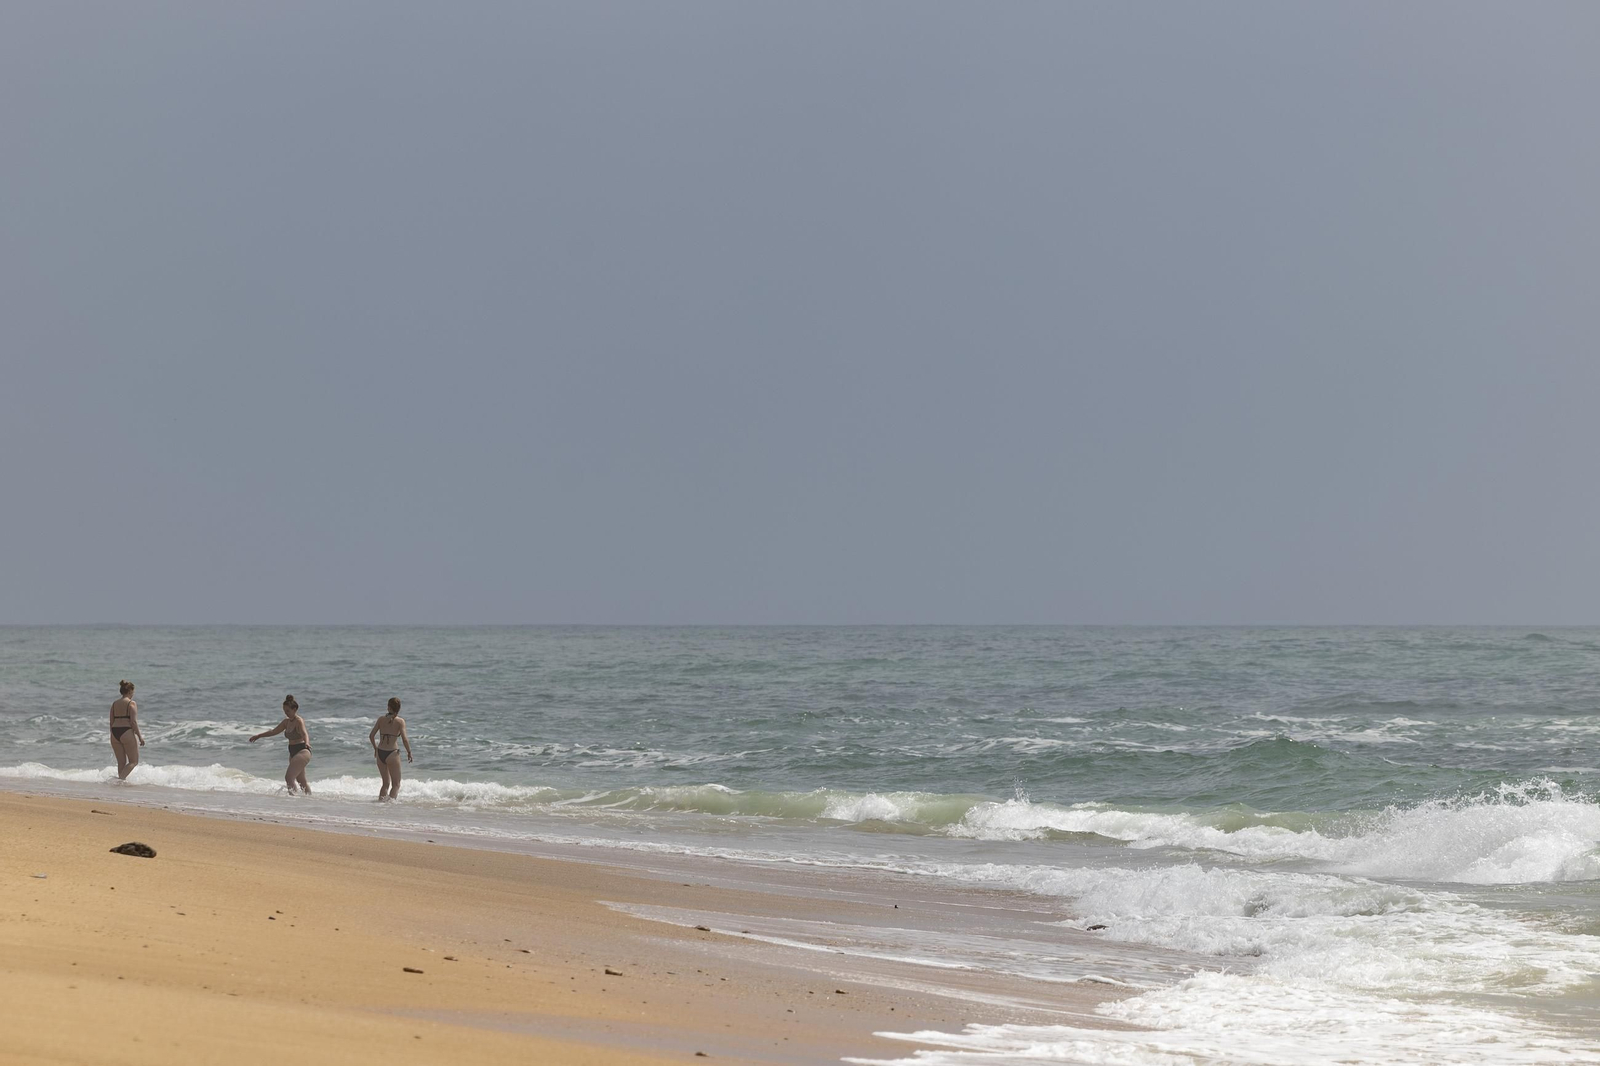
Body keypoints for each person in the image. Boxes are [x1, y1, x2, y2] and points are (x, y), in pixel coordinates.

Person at [250, 695, 312, 794]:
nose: (286, 713)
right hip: (292, 752)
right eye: (284, 711)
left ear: (294, 709)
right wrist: (259, 736)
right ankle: (309, 799)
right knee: (301, 781)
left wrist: (307, 742)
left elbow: (304, 733)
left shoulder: (299, 721)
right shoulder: (286, 722)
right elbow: (273, 731)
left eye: (288, 711)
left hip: (302, 750)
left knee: (289, 777)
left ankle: (293, 799)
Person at [368, 697, 413, 799]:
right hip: (392, 753)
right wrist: (409, 752)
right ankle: (390, 808)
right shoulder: (400, 721)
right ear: (399, 708)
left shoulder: (381, 719)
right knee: (396, 784)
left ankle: (381, 806)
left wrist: (375, 749)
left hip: (380, 753)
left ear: (388, 707)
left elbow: (371, 736)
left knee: (385, 784)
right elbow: (405, 740)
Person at [109, 680, 145, 780]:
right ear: (129, 691)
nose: (133, 694)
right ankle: (120, 780)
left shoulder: (114, 704)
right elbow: (133, 722)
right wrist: (140, 737)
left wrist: (112, 735)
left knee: (121, 762)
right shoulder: (131, 703)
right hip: (126, 731)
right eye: (133, 692)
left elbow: (111, 722)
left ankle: (120, 783)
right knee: (134, 761)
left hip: (115, 733)